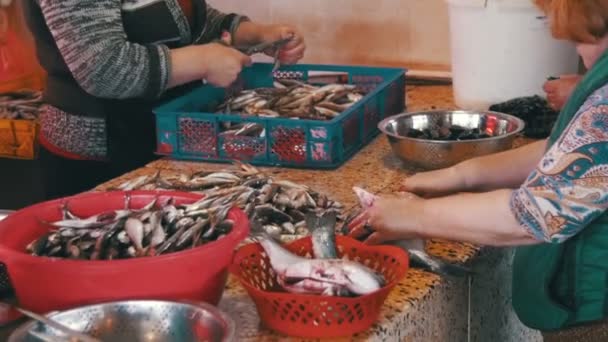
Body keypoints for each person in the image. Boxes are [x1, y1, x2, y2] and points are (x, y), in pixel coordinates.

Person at [349, 0, 608, 340]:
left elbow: (535, 215)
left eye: (581, 39)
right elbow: (564, 152)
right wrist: (464, 173)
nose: (576, 51)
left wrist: (414, 215)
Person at [21, 0, 305, 199]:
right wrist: (204, 60)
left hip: (162, 138)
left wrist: (254, 35)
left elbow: (186, 24)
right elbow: (104, 69)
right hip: (98, 159)